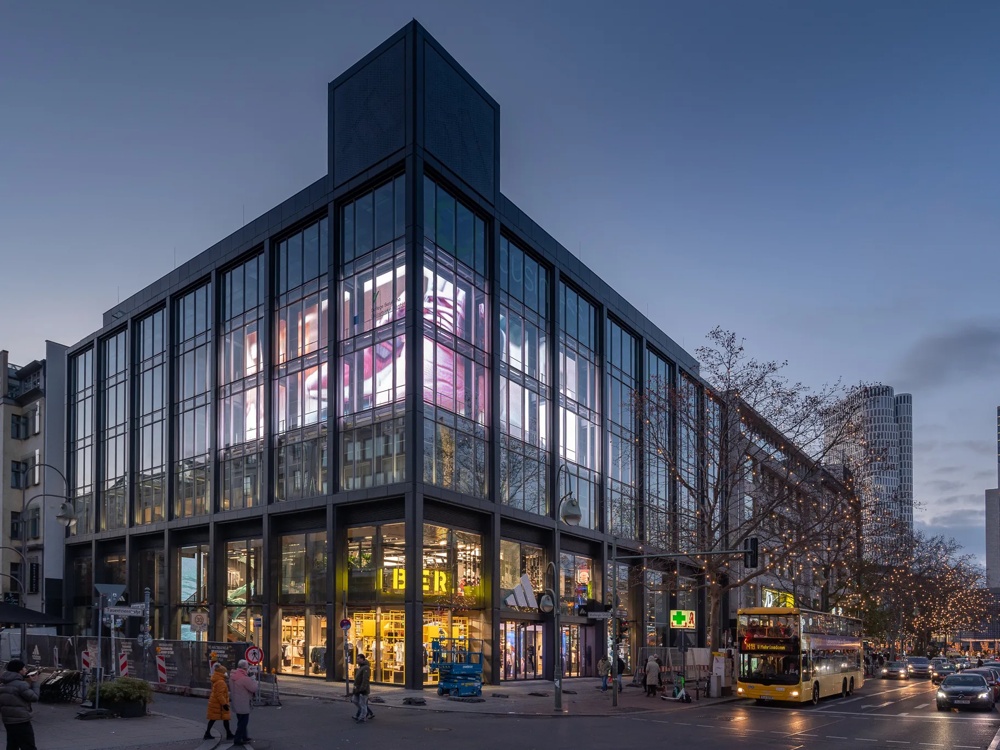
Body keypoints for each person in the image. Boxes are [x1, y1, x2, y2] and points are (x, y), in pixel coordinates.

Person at [0, 659, 39, 750]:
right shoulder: (21, 685)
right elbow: (34, 697)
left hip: (8, 721)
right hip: (21, 720)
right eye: (24, 668)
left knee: (12, 745)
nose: (25, 670)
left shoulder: (3, 684)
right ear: (19, 670)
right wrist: (35, 683)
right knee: (28, 746)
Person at [229, 659, 257, 746]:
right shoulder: (244, 678)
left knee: (240, 720)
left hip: (235, 701)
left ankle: (244, 736)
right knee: (243, 722)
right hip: (243, 702)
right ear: (245, 668)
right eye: (247, 667)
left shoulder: (233, 676)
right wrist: (254, 680)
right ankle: (237, 739)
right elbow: (254, 688)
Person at [205, 663, 235, 741]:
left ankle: (208, 733)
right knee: (223, 718)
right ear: (222, 673)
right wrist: (224, 704)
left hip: (215, 703)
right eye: (225, 672)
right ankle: (228, 734)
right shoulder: (221, 682)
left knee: (215, 719)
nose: (226, 673)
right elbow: (219, 695)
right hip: (219, 704)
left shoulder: (217, 680)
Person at [352, 653, 373, 723]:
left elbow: (365, 679)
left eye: (358, 659)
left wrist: (362, 689)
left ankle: (362, 717)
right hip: (357, 688)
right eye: (357, 659)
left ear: (362, 659)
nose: (357, 660)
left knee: (362, 704)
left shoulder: (366, 668)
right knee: (355, 700)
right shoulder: (361, 667)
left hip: (363, 689)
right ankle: (363, 713)